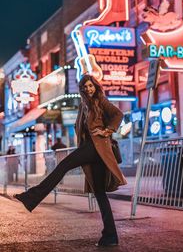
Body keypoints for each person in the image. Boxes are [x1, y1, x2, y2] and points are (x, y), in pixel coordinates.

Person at [14, 74, 127, 247]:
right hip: (90, 148)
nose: (89, 89)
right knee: (99, 193)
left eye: (91, 86)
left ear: (96, 86)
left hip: (96, 147)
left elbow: (118, 114)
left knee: (64, 165)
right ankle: (110, 235)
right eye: (86, 86)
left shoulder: (100, 101)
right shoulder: (84, 104)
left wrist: (106, 131)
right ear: (82, 89)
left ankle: (32, 196)